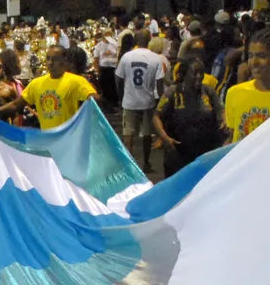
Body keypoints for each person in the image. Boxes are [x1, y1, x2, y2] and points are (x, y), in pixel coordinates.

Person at [0, 45, 97, 130]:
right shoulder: (37, 84)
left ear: (64, 61)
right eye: (48, 59)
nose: (50, 63)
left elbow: (95, 101)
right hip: (47, 141)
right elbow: (15, 105)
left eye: (55, 59)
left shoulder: (76, 81)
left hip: (70, 140)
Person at [224, 28, 270, 143]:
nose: (254, 62)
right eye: (250, 56)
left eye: (262, 56)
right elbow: (231, 140)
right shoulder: (234, 93)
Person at [153, 58, 223, 178]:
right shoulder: (172, 93)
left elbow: (220, 110)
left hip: (204, 153)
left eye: (202, 73)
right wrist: (165, 138)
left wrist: (224, 121)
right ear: (184, 74)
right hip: (178, 154)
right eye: (195, 72)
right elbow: (156, 117)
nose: (199, 76)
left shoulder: (208, 92)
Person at [115, 29, 166, 169]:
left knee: (128, 134)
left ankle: (128, 164)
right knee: (147, 133)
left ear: (135, 41)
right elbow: (160, 83)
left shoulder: (126, 57)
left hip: (129, 100)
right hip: (147, 101)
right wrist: (160, 102)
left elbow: (118, 78)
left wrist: (120, 96)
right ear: (149, 40)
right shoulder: (155, 58)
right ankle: (146, 162)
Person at [93, 28, 120, 108]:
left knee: (113, 86)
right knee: (105, 87)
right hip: (103, 68)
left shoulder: (114, 44)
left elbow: (118, 55)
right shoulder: (99, 45)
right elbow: (96, 58)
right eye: (106, 34)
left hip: (113, 68)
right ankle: (106, 105)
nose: (108, 36)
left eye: (109, 34)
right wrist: (97, 70)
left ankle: (114, 103)